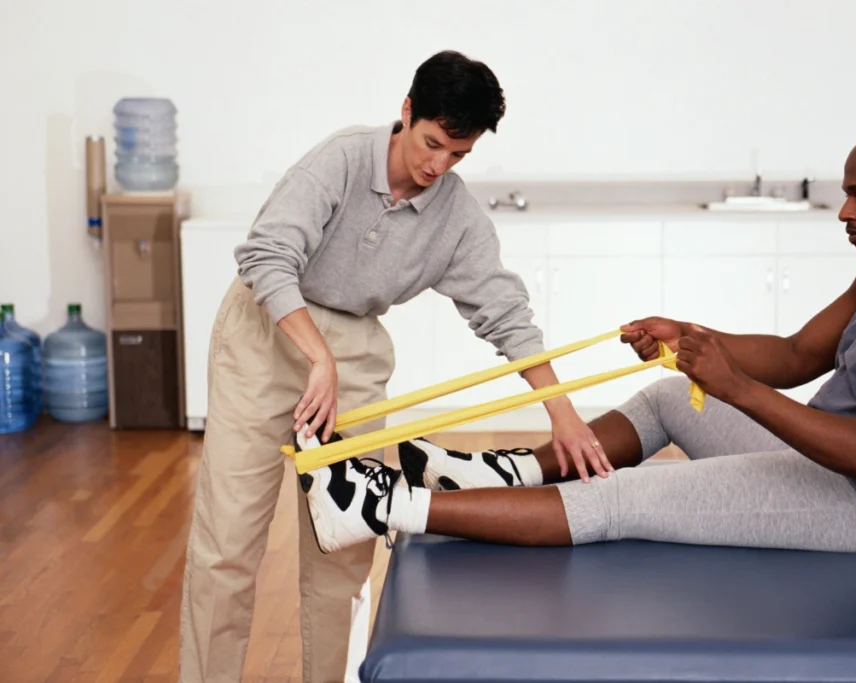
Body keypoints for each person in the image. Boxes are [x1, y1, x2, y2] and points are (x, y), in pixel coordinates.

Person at [295, 122, 856, 557]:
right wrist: (689, 339)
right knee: (670, 395)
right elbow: (794, 354)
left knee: (622, 500)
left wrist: (736, 387)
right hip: (823, 460)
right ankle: (512, 474)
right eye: (845, 193)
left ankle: (382, 506)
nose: (844, 211)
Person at [178, 50, 609, 683]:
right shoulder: (342, 159)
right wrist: (313, 354)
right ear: (406, 113)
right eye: (433, 143)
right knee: (228, 546)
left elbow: (506, 314)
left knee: (343, 547)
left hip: (351, 352)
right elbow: (266, 254)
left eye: (458, 155)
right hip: (266, 335)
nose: (438, 165)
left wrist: (562, 412)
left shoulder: (455, 218)